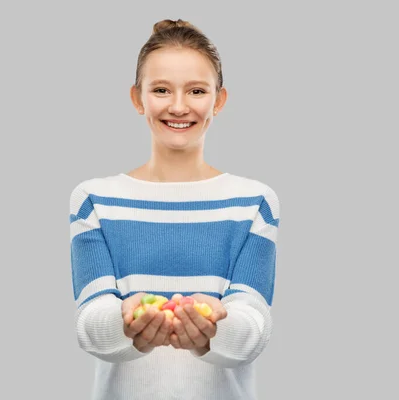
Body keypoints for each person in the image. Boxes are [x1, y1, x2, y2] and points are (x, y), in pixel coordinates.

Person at [69, 18, 280, 400]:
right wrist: (125, 324)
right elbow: (89, 326)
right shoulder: (94, 199)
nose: (179, 107)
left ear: (219, 100)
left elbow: (254, 328)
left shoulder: (255, 202)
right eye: (162, 89)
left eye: (196, 91)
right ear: (138, 98)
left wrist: (216, 328)